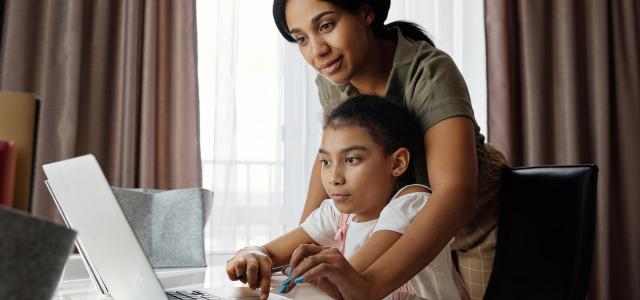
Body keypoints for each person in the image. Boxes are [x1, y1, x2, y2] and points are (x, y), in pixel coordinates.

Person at [271, 0, 509, 299]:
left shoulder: (429, 71)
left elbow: (454, 193)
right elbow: (333, 156)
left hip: (473, 221)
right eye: (301, 38)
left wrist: (369, 284)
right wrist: (303, 248)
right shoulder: (332, 78)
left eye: (326, 25)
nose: (317, 50)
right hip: (401, 221)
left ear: (366, 12)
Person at [226, 95, 465, 300]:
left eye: (351, 160)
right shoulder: (336, 213)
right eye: (326, 162)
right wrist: (252, 255)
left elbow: (353, 281)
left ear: (397, 162)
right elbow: (269, 252)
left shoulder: (412, 203)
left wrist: (298, 273)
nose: (334, 178)